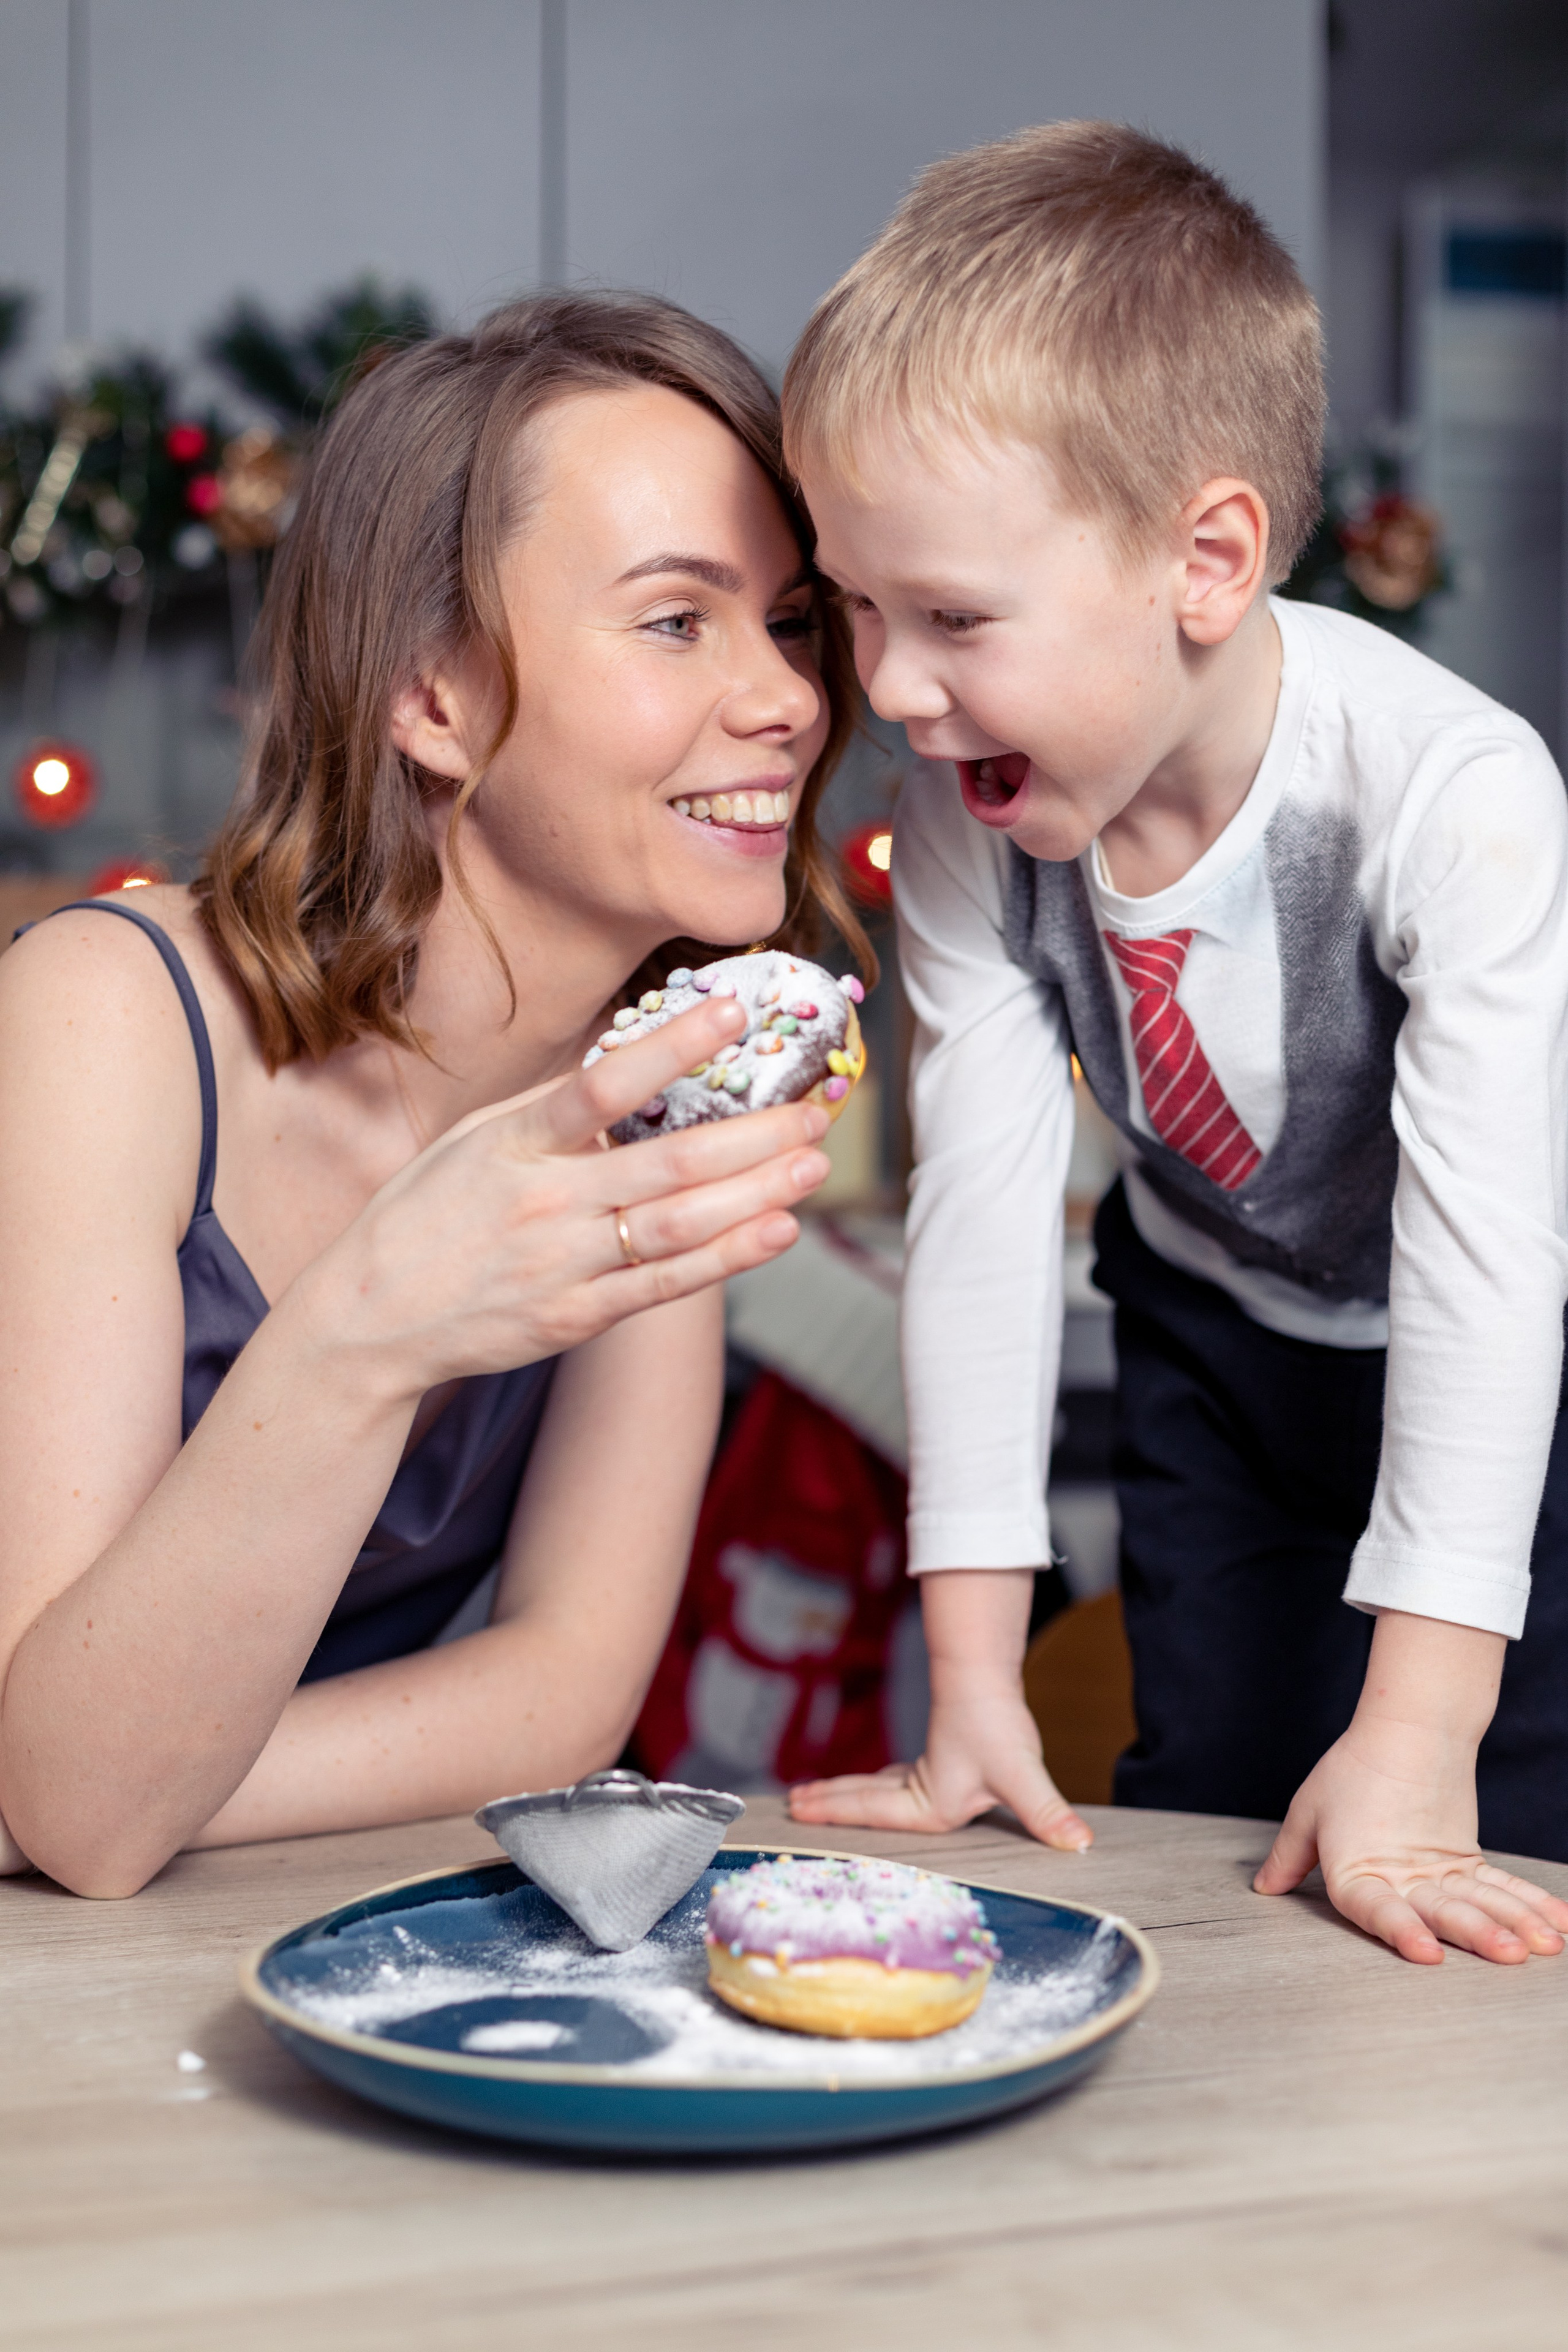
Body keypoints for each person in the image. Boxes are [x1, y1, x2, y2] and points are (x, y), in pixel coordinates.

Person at [780, 121, 1568, 1967]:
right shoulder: (975, 815)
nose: (888, 688)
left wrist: (1422, 1722)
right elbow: (976, 1215)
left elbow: (1483, 1267)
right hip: (1216, 1337)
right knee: (1209, 1788)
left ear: (1205, 558)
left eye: (954, 618)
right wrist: (971, 1673)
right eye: (860, 612)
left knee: (1479, 1835)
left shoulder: (1453, 797)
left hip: (1508, 1361)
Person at [0, 290, 866, 1899]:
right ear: (432, 697)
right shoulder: (101, 1017)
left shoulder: (669, 1085)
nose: (792, 701)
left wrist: (114, 1781)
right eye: (679, 620)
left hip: (219, 1925)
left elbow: (561, 1696)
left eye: (795, 620)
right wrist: (377, 1314)